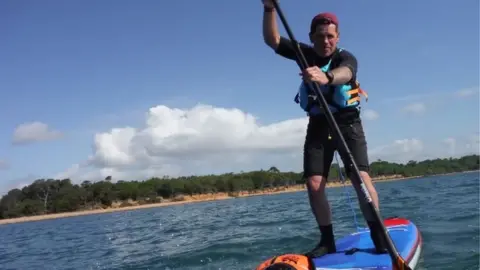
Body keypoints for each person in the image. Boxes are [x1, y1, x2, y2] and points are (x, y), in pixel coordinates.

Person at [261, 0, 388, 257]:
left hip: (347, 123)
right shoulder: (303, 53)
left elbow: (345, 73)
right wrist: (269, 9)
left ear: (337, 37)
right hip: (319, 124)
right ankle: (327, 239)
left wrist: (326, 77)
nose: (326, 41)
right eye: (321, 36)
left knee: (359, 178)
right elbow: (272, 40)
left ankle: (378, 232)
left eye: (331, 36)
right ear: (312, 37)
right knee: (314, 182)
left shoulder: (345, 57)